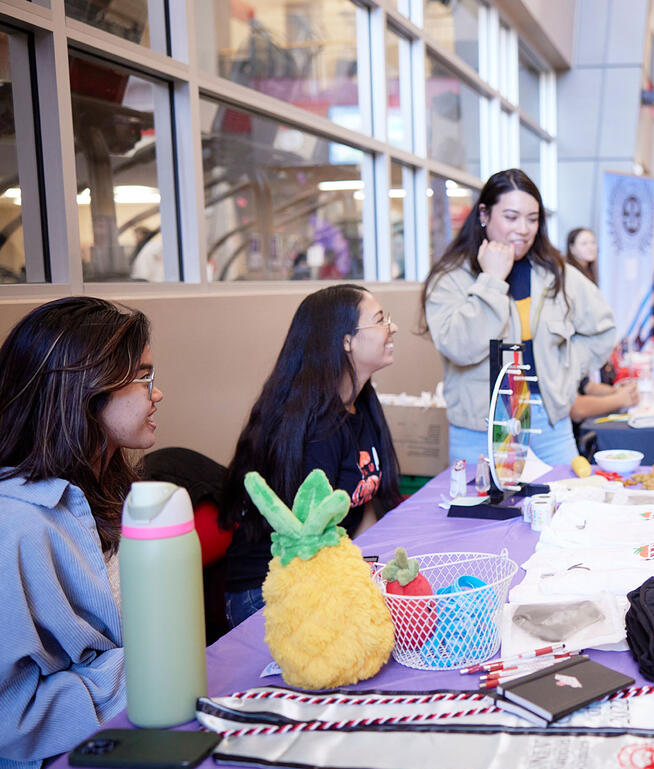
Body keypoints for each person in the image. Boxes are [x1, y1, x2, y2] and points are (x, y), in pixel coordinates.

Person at [0, 297, 162, 769]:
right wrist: (143, 670)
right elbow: (11, 716)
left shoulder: (107, 486)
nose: (159, 394)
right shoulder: (19, 525)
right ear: (84, 392)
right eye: (144, 377)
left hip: (126, 723)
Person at [220, 285, 403, 627]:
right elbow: (308, 543)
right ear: (346, 340)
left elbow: (361, 511)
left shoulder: (361, 403)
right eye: (380, 320)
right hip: (268, 590)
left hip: (323, 569)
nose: (392, 328)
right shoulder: (317, 429)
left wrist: (382, 569)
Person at [422, 169, 615, 466]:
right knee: (482, 510)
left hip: (550, 423)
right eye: (511, 217)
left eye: (532, 218)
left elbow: (603, 330)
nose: (523, 229)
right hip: (480, 429)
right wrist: (492, 281)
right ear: (484, 215)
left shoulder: (556, 273)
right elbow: (459, 347)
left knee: (565, 508)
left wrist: (565, 369)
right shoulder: (452, 277)